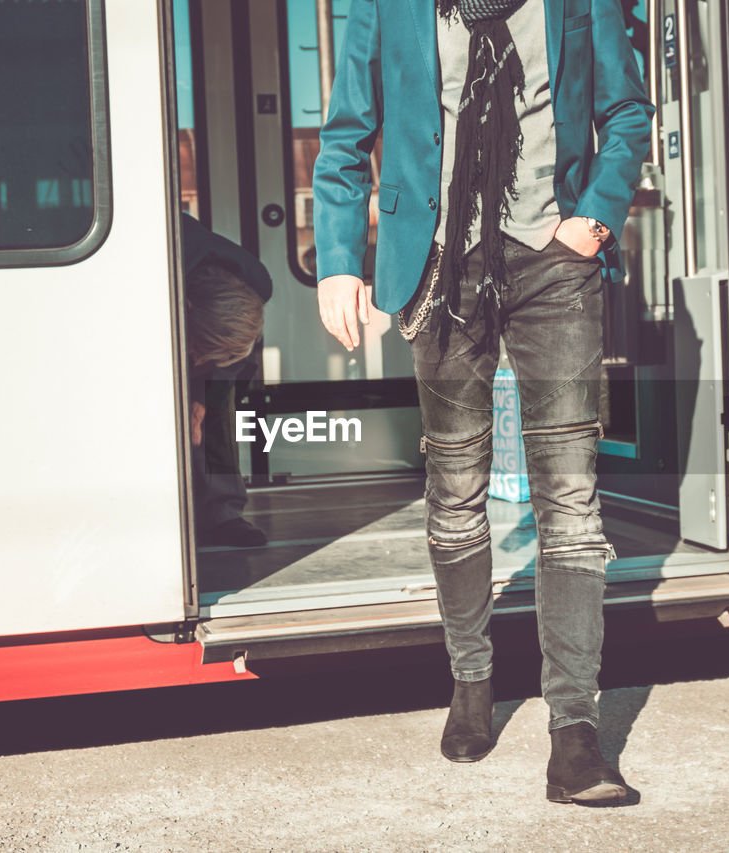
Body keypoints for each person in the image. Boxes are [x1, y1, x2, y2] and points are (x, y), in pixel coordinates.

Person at [312, 0, 654, 805]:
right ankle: (472, 680)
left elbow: (628, 111)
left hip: (554, 261)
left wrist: (595, 220)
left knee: (570, 496)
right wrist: (337, 257)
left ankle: (575, 732)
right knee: (456, 487)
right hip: (437, 263)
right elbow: (346, 133)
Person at [182, 212, 272, 548]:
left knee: (213, 411)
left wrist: (200, 405)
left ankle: (221, 513)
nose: (199, 363)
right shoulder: (160, 264)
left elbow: (227, 358)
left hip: (220, 333)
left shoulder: (255, 284)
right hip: (181, 319)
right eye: (199, 354)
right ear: (184, 307)